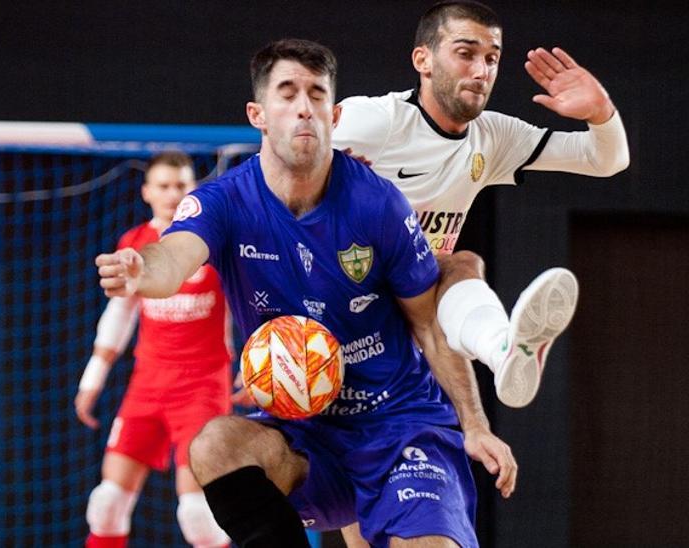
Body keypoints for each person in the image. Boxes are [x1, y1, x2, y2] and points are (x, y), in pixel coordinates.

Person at [97, 39, 515, 548]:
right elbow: (173, 257)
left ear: (334, 115)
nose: (303, 108)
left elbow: (428, 322)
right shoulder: (225, 200)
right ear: (258, 114)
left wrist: (475, 423)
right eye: (288, 93)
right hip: (307, 437)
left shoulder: (377, 203)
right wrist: (143, 270)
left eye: (317, 95)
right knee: (214, 445)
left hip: (398, 425)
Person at [332, 0, 630, 409]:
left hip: (408, 320)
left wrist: (601, 113)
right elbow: (273, 168)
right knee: (452, 263)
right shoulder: (374, 119)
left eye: (491, 58)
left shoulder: (493, 137)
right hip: (333, 301)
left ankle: (505, 351)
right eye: (465, 53)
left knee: (459, 263)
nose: (481, 71)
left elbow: (606, 160)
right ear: (424, 59)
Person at [76, 151, 233, 548]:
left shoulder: (213, 243)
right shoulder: (135, 244)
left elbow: (245, 310)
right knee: (106, 504)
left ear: (193, 189)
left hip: (202, 388)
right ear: (147, 192)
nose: (172, 194)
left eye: (180, 185)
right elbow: (120, 312)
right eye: (163, 186)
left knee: (198, 515)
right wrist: (92, 378)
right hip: (148, 384)